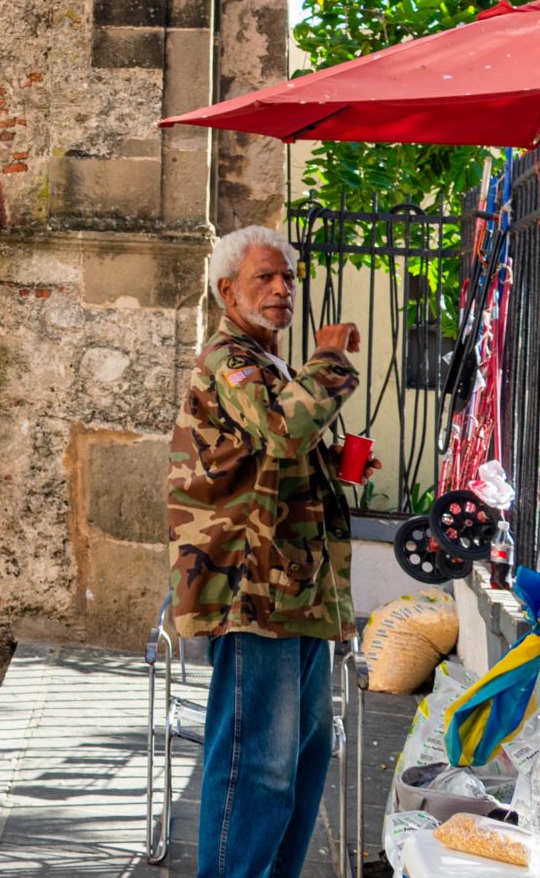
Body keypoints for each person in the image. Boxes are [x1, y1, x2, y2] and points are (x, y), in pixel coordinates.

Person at [168, 225, 361, 878]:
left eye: (287, 278)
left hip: (300, 588)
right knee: (258, 764)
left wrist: (333, 460)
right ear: (228, 289)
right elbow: (279, 428)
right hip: (255, 589)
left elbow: (264, 454)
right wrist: (330, 360)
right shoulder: (231, 357)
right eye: (264, 278)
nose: (282, 288)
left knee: (305, 760)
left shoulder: (269, 361)